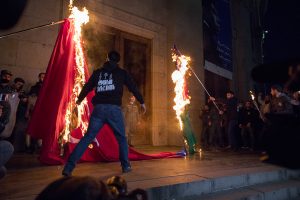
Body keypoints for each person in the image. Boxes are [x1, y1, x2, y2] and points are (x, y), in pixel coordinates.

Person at [62, 50, 146, 176]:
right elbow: (133, 87)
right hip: (114, 110)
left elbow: (87, 87)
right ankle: (126, 165)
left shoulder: (98, 73)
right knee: (122, 138)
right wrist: (142, 102)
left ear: (107, 58)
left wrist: (79, 100)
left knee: (88, 138)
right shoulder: (122, 73)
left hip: (99, 110)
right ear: (118, 61)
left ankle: (68, 168)